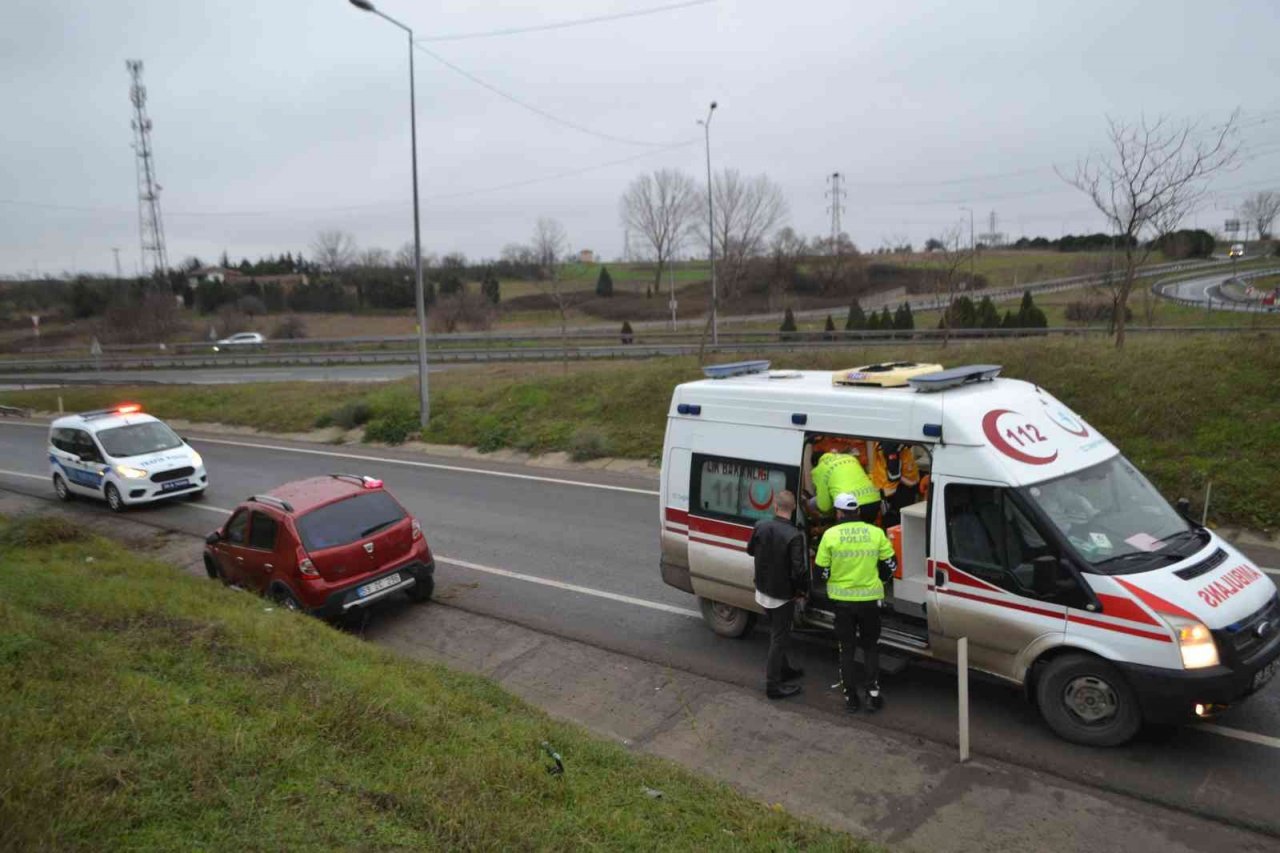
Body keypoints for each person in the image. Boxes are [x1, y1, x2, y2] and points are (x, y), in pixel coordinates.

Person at [815, 492, 897, 713]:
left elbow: (821, 572)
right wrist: (879, 579)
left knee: (847, 649)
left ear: (839, 513)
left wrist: (832, 578)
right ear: (858, 511)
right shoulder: (876, 532)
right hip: (870, 601)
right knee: (870, 647)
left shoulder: (830, 535)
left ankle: (851, 698)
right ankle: (872, 694)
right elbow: (891, 565)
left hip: (842, 603)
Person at [746, 489, 807, 700]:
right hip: (781, 596)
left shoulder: (760, 526)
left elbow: (750, 551)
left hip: (762, 590)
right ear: (794, 509)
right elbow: (798, 571)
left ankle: (785, 669)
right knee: (778, 638)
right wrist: (801, 592)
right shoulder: (794, 535)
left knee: (776, 632)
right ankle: (773, 685)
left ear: (775, 506)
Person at [808, 449, 880, 518]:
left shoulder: (818, 470)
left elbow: (824, 506)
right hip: (874, 500)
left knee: (812, 503)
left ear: (815, 464)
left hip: (850, 508)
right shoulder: (850, 457)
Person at [869, 441, 921, 527]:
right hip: (895, 489)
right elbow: (894, 475)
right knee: (898, 520)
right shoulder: (891, 446)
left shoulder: (892, 442)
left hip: (893, 486)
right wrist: (911, 482)